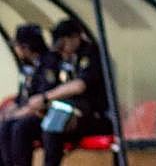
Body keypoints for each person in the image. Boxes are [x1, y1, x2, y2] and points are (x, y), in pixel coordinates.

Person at [1, 20, 111, 166]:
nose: (61, 50)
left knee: (53, 122)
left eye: (64, 43)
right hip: (66, 112)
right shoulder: (67, 58)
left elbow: (79, 85)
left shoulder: (91, 54)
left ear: (75, 37)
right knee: (20, 127)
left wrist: (45, 98)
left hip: (92, 116)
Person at [0, 24, 53, 164]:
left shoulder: (48, 63)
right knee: (4, 125)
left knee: (19, 127)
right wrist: (7, 111)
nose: (16, 50)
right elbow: (21, 98)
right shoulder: (28, 65)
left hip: (45, 115)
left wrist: (17, 113)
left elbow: (41, 101)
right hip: (28, 113)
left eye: (17, 46)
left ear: (25, 47)